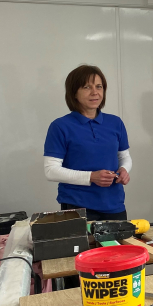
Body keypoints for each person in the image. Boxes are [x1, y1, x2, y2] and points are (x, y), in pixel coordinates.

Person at [44, 65, 131, 220]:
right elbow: (51, 171)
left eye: (99, 87)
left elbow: (124, 157)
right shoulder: (60, 126)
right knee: (84, 246)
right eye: (87, 87)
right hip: (76, 208)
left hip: (114, 205)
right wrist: (91, 177)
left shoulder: (115, 123)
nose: (95, 92)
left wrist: (124, 169)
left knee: (119, 245)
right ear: (74, 93)